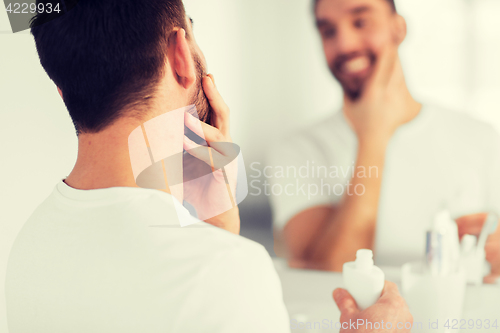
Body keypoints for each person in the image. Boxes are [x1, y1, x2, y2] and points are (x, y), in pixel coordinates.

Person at [5, 0, 413, 332]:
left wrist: (218, 236)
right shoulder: (221, 271)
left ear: (62, 90)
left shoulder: (27, 247)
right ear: (180, 55)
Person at [268, 0, 500, 280]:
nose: (344, 44)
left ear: (398, 28)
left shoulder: (481, 138)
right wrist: (373, 136)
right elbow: (325, 278)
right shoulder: (296, 151)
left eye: (361, 22)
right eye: (328, 31)